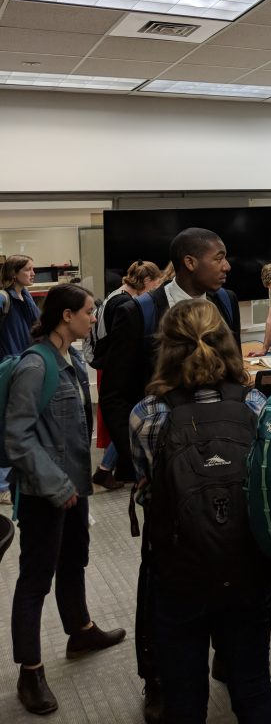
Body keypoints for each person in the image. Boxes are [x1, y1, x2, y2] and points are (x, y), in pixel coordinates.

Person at [99, 227, 239, 723]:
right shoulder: (138, 311)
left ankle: (228, 650)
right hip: (163, 459)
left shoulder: (225, 300)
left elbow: (233, 371)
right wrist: (140, 462)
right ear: (187, 262)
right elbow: (115, 392)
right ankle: (157, 675)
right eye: (218, 258)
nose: (226, 266)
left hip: (223, 455)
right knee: (160, 569)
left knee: (228, 551)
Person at [130, 300, 271, 724]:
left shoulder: (147, 414)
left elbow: (146, 488)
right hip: (248, 563)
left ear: (166, 348)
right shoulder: (255, 404)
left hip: (179, 570)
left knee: (184, 693)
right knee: (253, 684)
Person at [5, 284, 126, 715]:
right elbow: (17, 437)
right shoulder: (35, 366)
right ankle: (30, 671)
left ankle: (81, 630)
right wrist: (56, 486)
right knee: (36, 579)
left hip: (74, 488)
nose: (94, 319)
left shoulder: (72, 358)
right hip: (45, 492)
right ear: (66, 316)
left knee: (74, 561)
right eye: (90, 312)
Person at [91, 259, 162, 492]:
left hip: (109, 366)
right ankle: (105, 468)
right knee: (128, 418)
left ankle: (105, 468)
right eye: (155, 284)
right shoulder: (126, 304)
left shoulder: (116, 296)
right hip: (116, 368)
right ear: (147, 281)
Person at [0, 256, 41, 505]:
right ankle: (3, 485)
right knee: (6, 424)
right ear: (14, 273)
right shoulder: (4, 298)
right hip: (9, 367)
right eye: (28, 269)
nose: (33, 273)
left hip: (24, 366)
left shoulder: (25, 298)